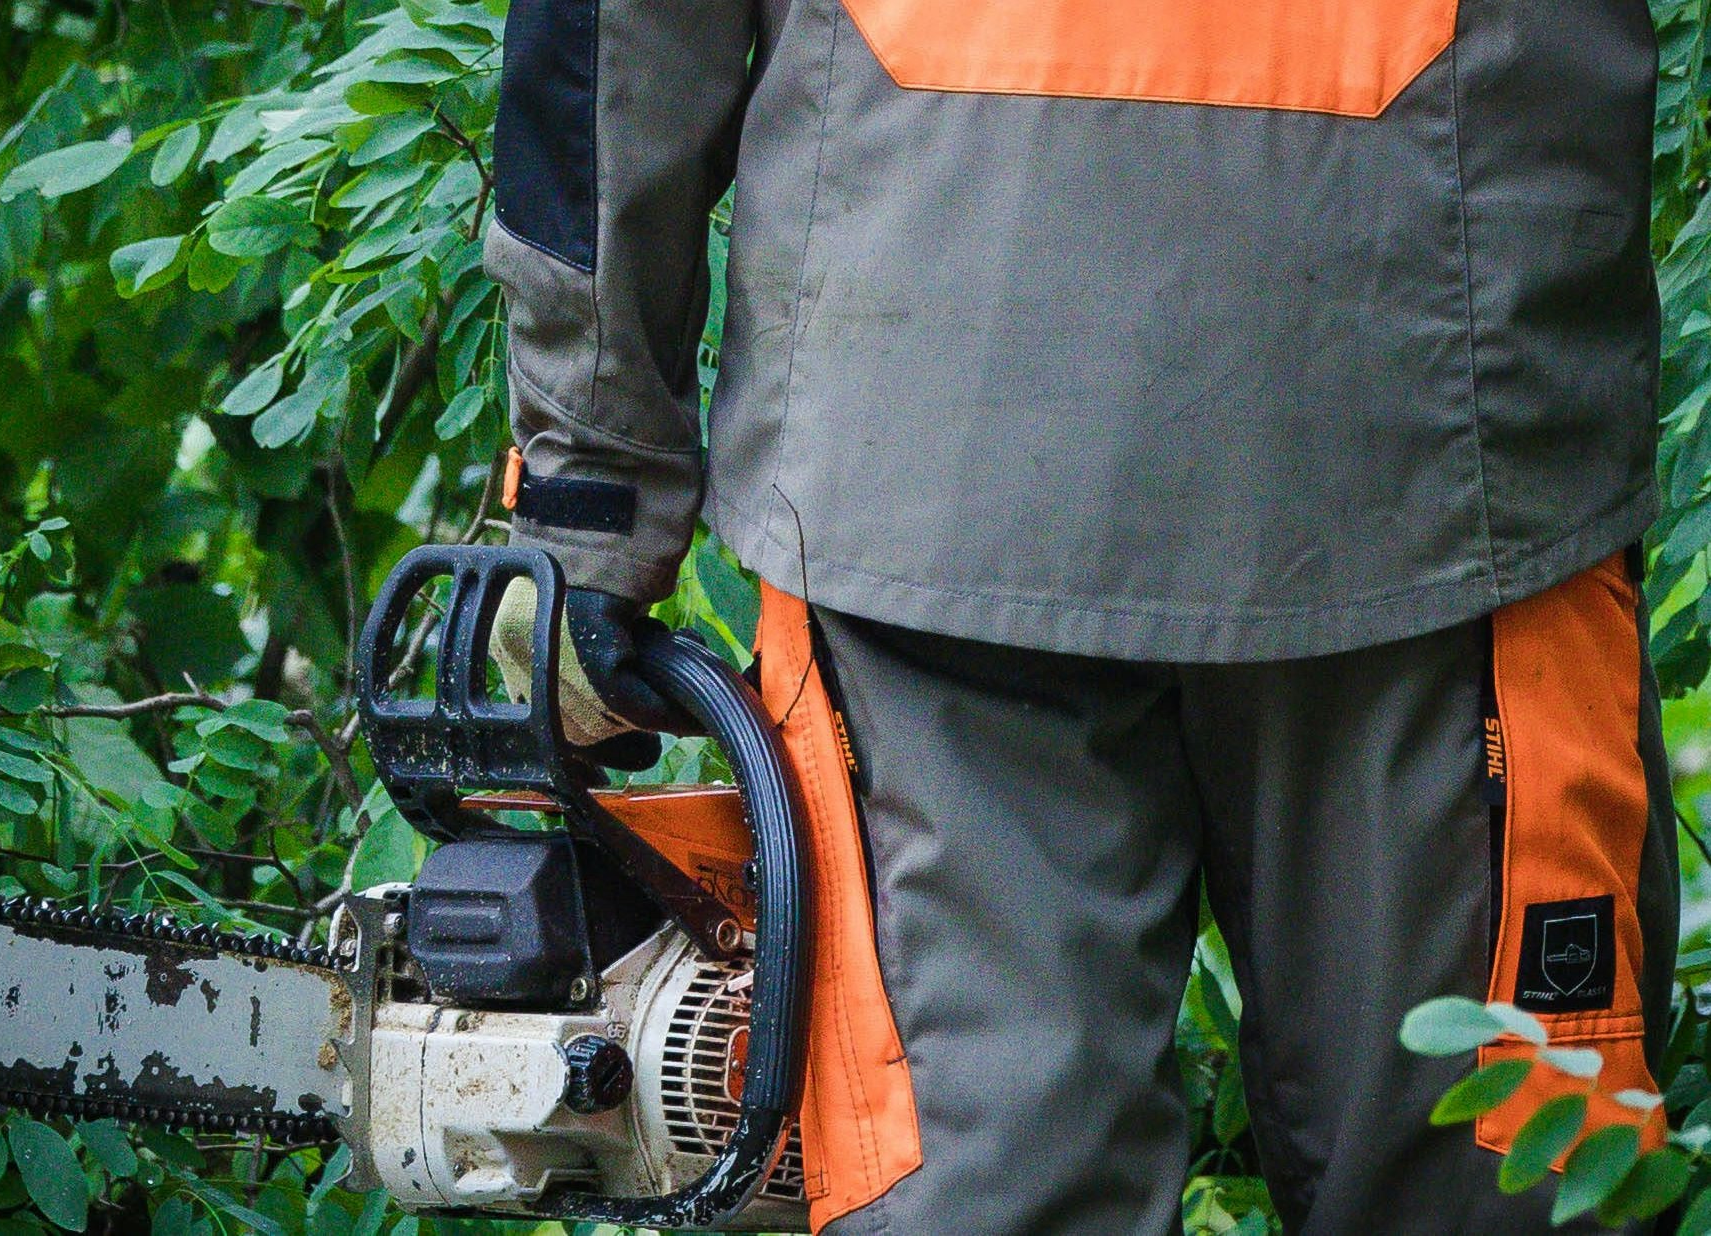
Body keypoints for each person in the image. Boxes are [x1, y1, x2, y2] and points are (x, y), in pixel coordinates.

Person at [483, 1, 1678, 1231]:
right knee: (1498, 1187)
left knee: (992, 1199)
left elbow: (612, 36)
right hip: (1436, 427)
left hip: (926, 450)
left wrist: (589, 502)